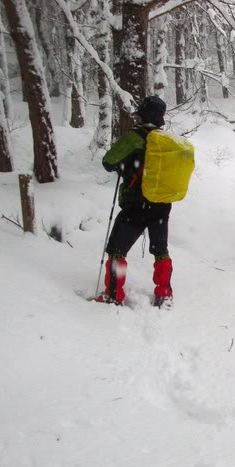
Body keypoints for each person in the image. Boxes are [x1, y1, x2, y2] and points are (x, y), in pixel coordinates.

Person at [96, 95, 174, 308]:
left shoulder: (134, 137)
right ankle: (164, 294)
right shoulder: (168, 141)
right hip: (161, 204)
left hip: (136, 204)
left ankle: (113, 295)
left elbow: (108, 161)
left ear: (142, 115)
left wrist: (124, 166)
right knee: (161, 251)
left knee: (117, 250)